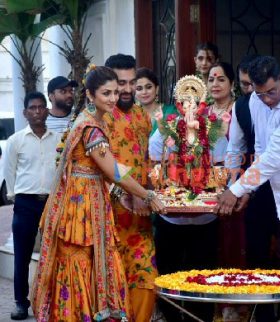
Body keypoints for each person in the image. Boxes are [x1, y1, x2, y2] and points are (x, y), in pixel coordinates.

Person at [31, 65, 165, 321]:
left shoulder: (92, 120)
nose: (113, 98)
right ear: (91, 95)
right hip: (81, 210)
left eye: (116, 92)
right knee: (80, 265)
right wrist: (148, 196)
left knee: (92, 265)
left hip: (88, 201)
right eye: (106, 93)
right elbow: (114, 171)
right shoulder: (91, 128)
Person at [216, 55, 280, 322]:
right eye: (261, 93)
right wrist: (248, 190)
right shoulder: (255, 100)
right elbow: (261, 150)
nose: (268, 100)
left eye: (272, 92)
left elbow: (274, 157)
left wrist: (236, 190)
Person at [104, 54, 158, 322]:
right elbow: (96, 168)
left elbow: (146, 161)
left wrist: (149, 191)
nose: (127, 89)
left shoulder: (141, 116)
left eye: (131, 82)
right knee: (110, 287)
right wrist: (127, 193)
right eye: (120, 83)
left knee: (146, 276)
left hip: (139, 220)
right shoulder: (98, 118)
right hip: (105, 220)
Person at [226, 54, 278, 322]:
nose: (251, 91)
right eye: (246, 85)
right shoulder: (241, 106)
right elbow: (235, 148)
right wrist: (233, 182)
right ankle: (263, 313)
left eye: (253, 85)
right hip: (254, 187)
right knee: (257, 250)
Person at [3, 92, 60, 320]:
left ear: (47, 110)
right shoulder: (16, 140)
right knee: (23, 256)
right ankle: (20, 303)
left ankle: (55, 299)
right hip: (25, 203)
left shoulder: (58, 139)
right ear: (25, 113)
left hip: (52, 203)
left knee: (55, 253)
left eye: (41, 107)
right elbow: (9, 171)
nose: (37, 112)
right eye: (32, 108)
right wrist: (15, 197)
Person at [135, 67, 178, 162]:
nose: (144, 92)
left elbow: (178, 146)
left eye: (148, 87)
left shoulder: (170, 112)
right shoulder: (132, 116)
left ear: (157, 89)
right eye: (139, 88)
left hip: (166, 169)